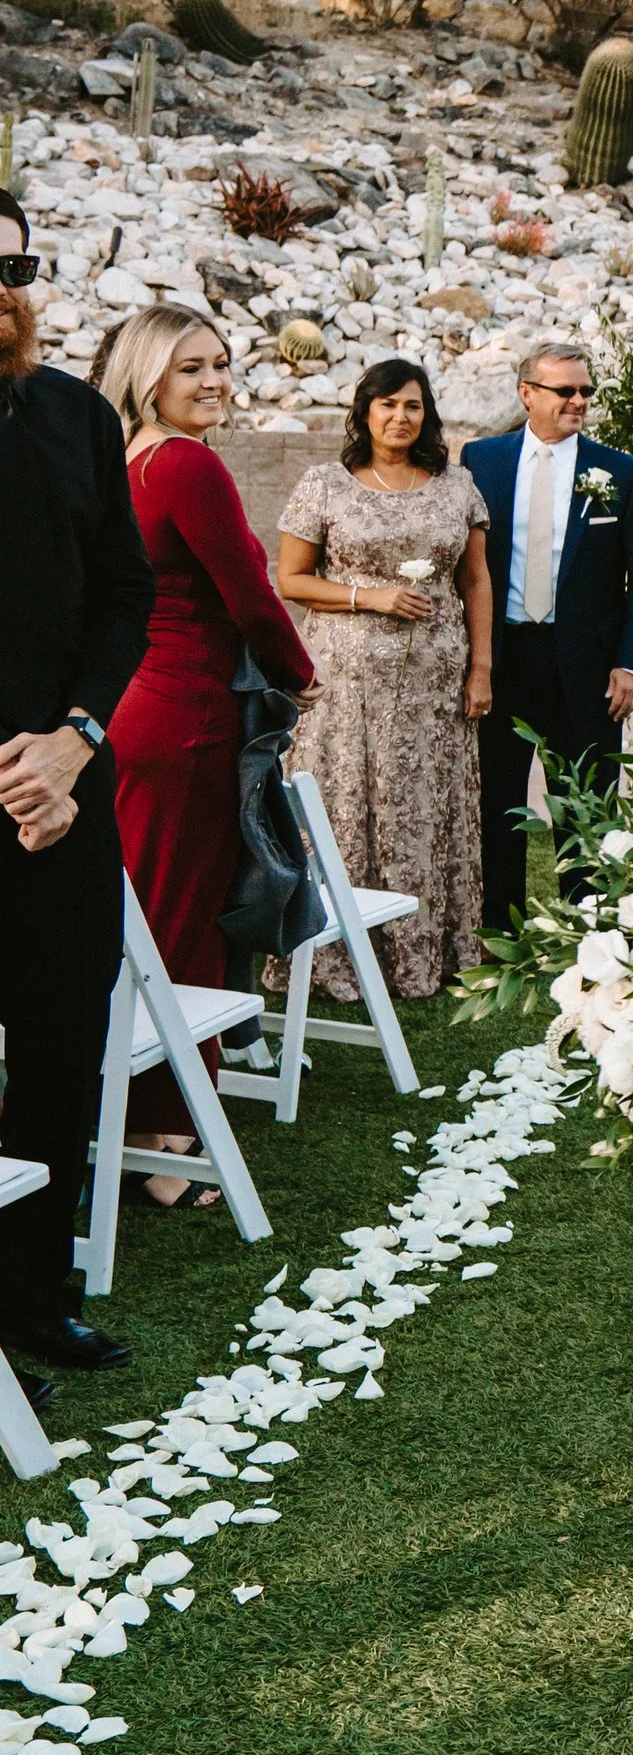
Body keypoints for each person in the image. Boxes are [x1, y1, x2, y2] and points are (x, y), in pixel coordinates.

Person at [91, 300, 318, 1206]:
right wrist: (298, 673)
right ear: (148, 374)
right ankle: (161, 1137)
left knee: (129, 917)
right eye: (192, 367)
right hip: (185, 716)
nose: (216, 380)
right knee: (177, 921)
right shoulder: (187, 467)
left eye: (222, 363)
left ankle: (100, 1106)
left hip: (124, 710)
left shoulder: (121, 462)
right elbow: (251, 596)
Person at [0, 191, 156, 1387]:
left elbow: (124, 600)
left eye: (17, 267)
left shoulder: (75, 418)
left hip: (64, 797)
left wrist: (72, 744)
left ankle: (31, 1296)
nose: (4, 292)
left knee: (62, 1046)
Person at [277, 359, 494, 998]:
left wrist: (480, 667)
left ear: (427, 415)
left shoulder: (457, 486)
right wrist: (368, 598)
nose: (401, 417)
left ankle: (425, 953)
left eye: (413, 406)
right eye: (387, 405)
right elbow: (290, 580)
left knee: (425, 806)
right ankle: (334, 958)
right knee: (345, 803)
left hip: (434, 685)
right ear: (365, 412)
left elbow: (475, 580)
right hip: (344, 684)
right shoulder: (325, 485)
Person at [464, 339, 633, 938]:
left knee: (585, 800)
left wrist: (632, 664)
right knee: (497, 795)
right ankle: (497, 928)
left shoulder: (621, 473)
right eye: (565, 391)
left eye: (585, 391)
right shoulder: (481, 460)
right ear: (527, 394)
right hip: (502, 656)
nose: (578, 401)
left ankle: (588, 930)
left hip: (587, 662)